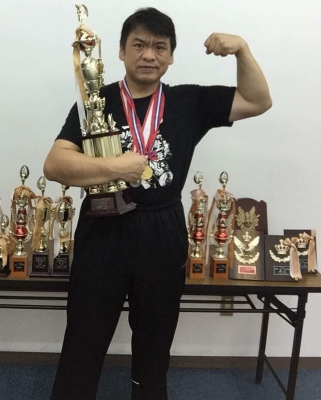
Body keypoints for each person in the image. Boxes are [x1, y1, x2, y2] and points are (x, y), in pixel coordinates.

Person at [44, 7, 271, 400]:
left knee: (155, 341)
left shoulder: (189, 101)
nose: (149, 55)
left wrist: (242, 50)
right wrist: (116, 166)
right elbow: (54, 165)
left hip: (162, 230)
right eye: (139, 45)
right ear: (121, 52)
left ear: (170, 56)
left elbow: (257, 100)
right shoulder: (95, 101)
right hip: (104, 227)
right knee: (84, 336)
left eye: (159, 47)